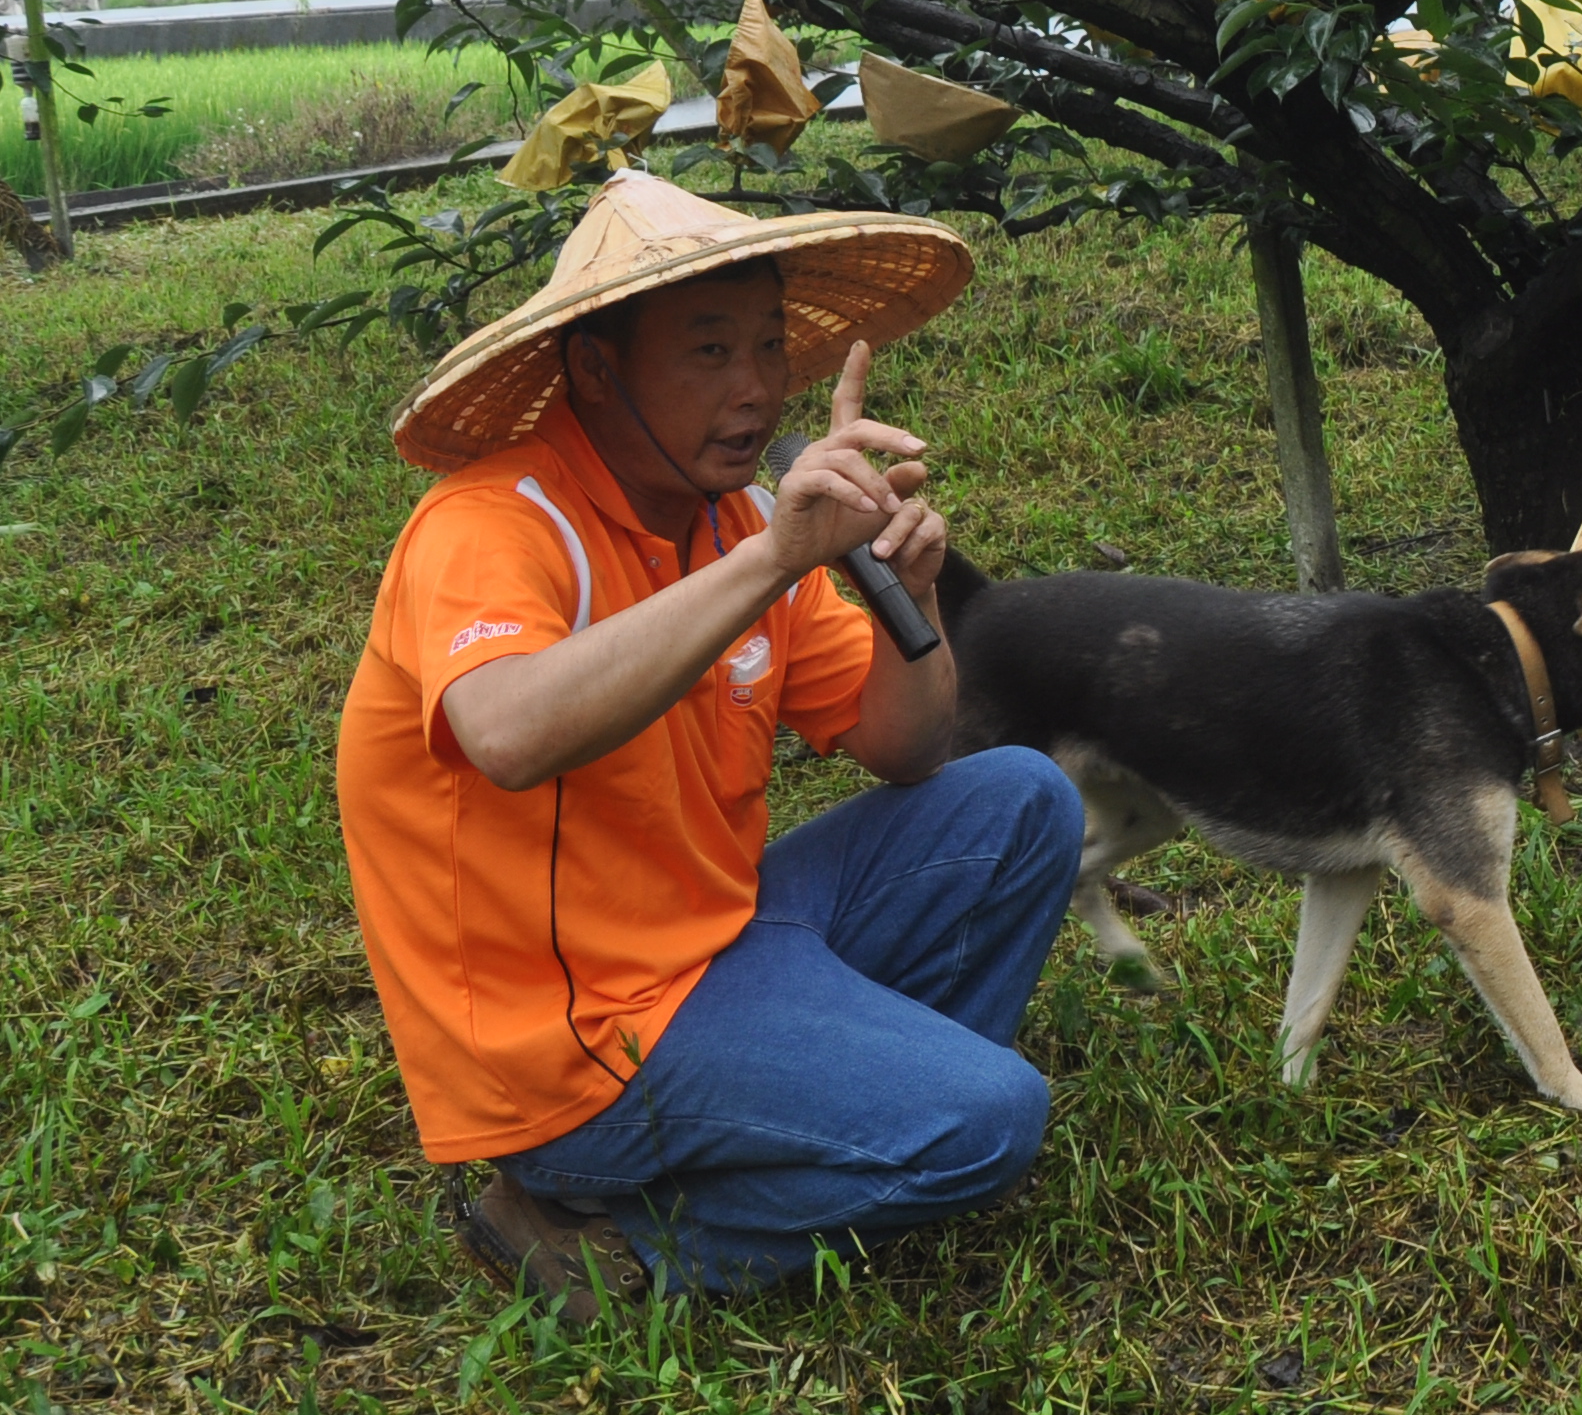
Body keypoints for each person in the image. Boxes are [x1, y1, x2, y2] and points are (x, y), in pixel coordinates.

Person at [339, 171, 1084, 1321]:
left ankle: (860, 1117)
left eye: (770, 345)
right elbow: (508, 732)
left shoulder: (734, 520)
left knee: (1023, 798)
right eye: (709, 351)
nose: (757, 387)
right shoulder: (492, 523)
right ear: (595, 369)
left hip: (715, 941)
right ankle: (622, 1241)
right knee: (992, 1117)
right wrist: (773, 560)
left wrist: (915, 596)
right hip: (575, 1040)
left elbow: (906, 747)